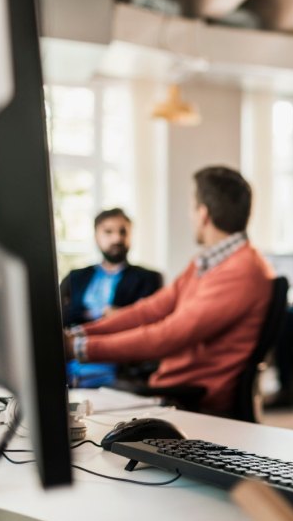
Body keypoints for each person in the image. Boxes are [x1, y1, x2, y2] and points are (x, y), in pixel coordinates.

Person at [65, 166, 274, 415]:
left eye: (191, 207)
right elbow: (149, 310)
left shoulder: (242, 270)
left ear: (203, 214)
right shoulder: (207, 262)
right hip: (168, 389)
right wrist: (78, 334)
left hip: (191, 401)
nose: (190, 215)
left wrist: (78, 348)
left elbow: (168, 335)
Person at [60, 208, 163, 387]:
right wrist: (98, 313)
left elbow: (152, 324)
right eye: (108, 232)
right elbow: (60, 316)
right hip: (68, 363)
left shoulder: (148, 278)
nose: (117, 238)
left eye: (123, 231)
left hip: (117, 368)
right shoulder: (76, 278)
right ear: (96, 236)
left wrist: (122, 316)